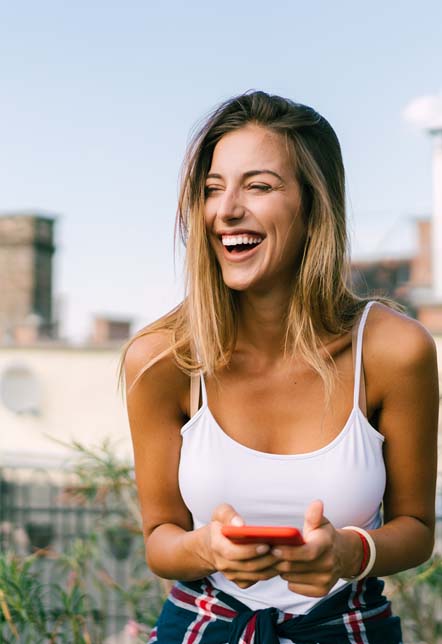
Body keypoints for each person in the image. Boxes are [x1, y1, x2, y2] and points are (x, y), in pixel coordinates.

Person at [120, 91, 439, 644]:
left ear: (316, 205)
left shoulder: (395, 350)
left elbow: (414, 531)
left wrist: (348, 552)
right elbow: (160, 539)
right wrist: (205, 548)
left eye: (259, 186)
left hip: (348, 630)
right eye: (212, 189)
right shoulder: (161, 359)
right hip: (199, 629)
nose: (226, 210)